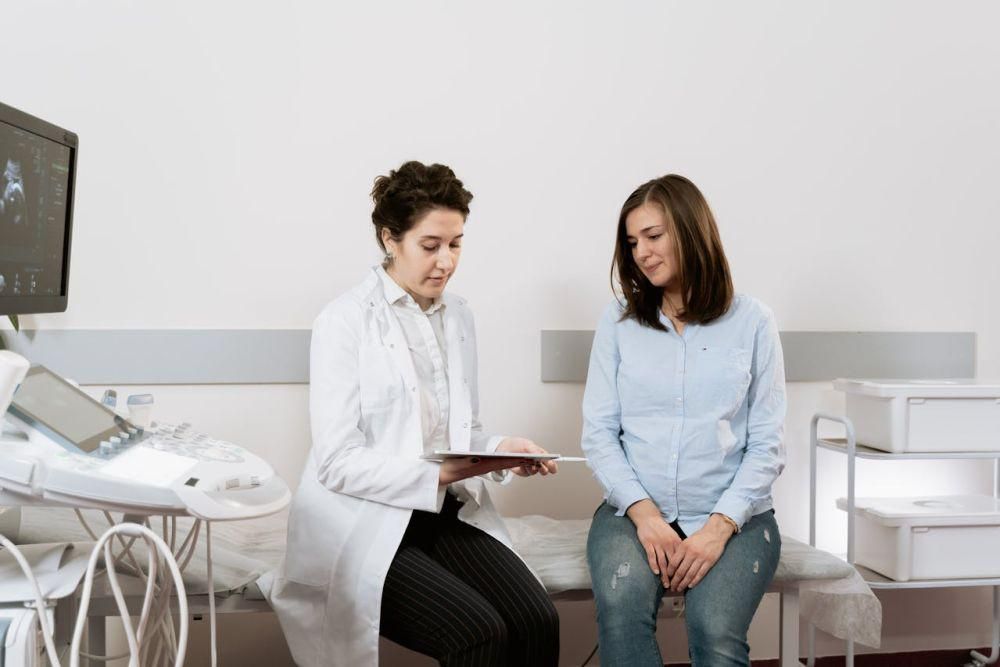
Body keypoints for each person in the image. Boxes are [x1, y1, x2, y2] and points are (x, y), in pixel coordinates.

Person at [270, 161, 560, 667]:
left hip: (440, 513)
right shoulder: (344, 321)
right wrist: (438, 473)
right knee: (479, 634)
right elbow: (336, 462)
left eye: (456, 244)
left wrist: (500, 451)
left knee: (538, 619)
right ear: (390, 239)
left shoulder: (459, 316)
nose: (446, 262)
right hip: (364, 523)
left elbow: (463, 431)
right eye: (430, 246)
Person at [582, 174, 785, 666]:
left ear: (691, 231)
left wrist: (718, 528)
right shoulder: (618, 322)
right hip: (632, 512)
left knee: (714, 629)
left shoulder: (754, 322)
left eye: (653, 236)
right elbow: (599, 434)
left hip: (734, 516)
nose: (642, 253)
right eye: (633, 242)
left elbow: (768, 444)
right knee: (622, 613)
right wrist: (646, 516)